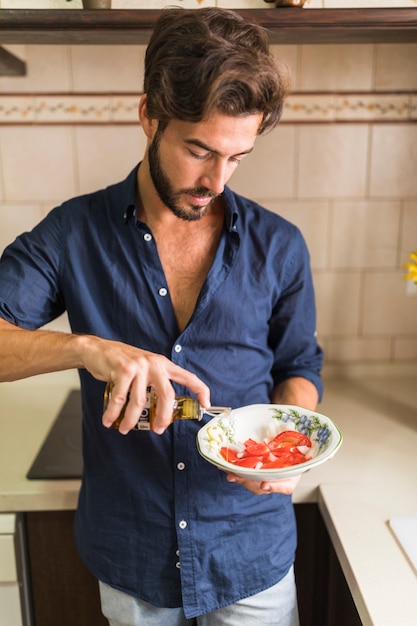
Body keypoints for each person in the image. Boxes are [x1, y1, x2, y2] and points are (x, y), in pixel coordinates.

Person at [0, 7, 323, 626]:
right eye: (198, 150)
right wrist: (85, 348)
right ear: (148, 114)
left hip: (249, 549)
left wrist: (292, 443)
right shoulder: (73, 234)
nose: (214, 180)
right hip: (132, 551)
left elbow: (298, 364)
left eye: (236, 157)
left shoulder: (280, 246)